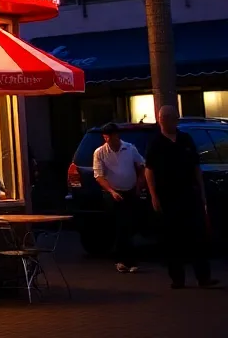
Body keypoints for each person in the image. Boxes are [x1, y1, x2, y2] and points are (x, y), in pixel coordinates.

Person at [145, 105, 219, 289]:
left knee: (197, 237)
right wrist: (154, 196)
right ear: (162, 120)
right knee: (173, 239)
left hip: (189, 194)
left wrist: (201, 193)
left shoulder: (185, 139)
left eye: (176, 118)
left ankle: (204, 277)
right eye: (171, 118)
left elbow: (196, 167)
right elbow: (149, 171)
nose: (174, 121)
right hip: (168, 197)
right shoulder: (156, 144)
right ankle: (177, 278)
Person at [93, 122, 145, 273]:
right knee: (119, 225)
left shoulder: (129, 148)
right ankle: (123, 260)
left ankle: (128, 260)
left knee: (129, 225)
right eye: (106, 137)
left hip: (130, 191)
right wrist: (111, 191)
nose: (109, 139)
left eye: (111, 136)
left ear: (117, 135)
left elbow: (141, 165)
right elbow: (99, 175)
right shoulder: (100, 152)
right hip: (114, 192)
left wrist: (139, 186)